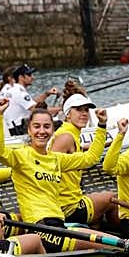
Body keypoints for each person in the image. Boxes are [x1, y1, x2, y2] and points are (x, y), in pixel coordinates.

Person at [0, 99, 111, 252]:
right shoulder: (20, 156)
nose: (42, 131)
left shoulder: (56, 159)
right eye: (36, 126)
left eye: (46, 127)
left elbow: (91, 158)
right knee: (110, 243)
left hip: (58, 224)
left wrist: (102, 125)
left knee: (109, 243)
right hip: (40, 227)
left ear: (52, 130)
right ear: (29, 130)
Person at [50, 92, 117, 230]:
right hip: (67, 208)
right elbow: (92, 158)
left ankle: (98, 240)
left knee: (97, 216)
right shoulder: (66, 137)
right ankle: (127, 241)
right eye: (78, 109)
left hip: (71, 201)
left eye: (86, 110)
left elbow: (77, 151)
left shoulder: (70, 134)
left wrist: (103, 143)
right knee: (113, 199)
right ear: (68, 114)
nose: (84, 114)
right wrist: (102, 124)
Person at [0, 63, 58, 134]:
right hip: (18, 129)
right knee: (59, 124)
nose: (32, 77)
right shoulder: (19, 91)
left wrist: (47, 94)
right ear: (21, 77)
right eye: (29, 75)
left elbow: (31, 102)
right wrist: (62, 108)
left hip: (11, 127)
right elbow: (37, 110)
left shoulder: (10, 88)